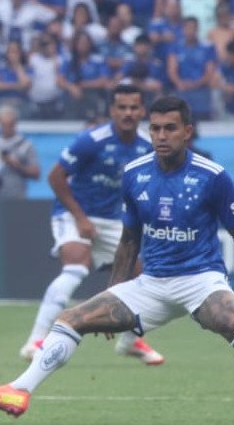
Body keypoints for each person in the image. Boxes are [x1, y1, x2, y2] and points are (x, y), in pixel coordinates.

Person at [0, 95, 234, 425]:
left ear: (187, 131)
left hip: (199, 278)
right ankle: (19, 391)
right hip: (151, 284)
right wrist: (115, 293)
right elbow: (129, 239)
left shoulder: (212, 176)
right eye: (155, 128)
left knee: (231, 321)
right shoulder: (134, 174)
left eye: (170, 128)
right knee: (71, 318)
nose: (161, 135)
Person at [18, 83, 164, 366]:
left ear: (142, 110)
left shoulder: (147, 146)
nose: (128, 113)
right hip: (74, 213)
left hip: (113, 222)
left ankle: (131, 342)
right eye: (122, 107)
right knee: (75, 268)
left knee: (146, 279)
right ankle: (35, 340)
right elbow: (55, 177)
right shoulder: (91, 140)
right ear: (112, 110)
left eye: (134, 107)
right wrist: (81, 218)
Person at [0, 105, 40, 199]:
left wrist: (17, 166)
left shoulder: (26, 145)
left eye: (9, 125)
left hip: (15, 197)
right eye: (3, 125)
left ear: (15, 124)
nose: (6, 128)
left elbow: (36, 173)